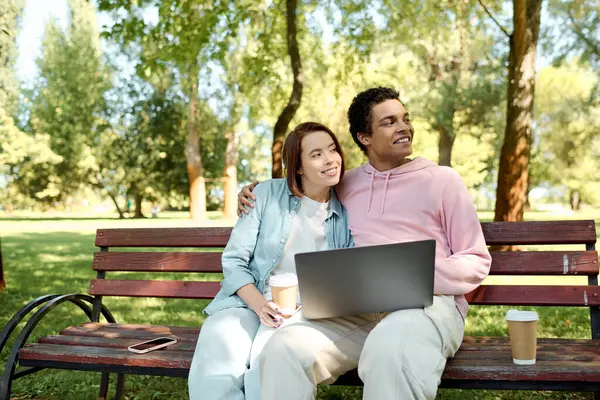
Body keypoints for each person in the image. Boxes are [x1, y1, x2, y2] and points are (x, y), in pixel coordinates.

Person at [236, 87, 492, 400]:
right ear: (364, 137)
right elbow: (301, 186)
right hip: (358, 307)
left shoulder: (443, 180)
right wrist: (254, 191)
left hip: (427, 304)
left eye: (405, 118)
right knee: (283, 349)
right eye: (389, 122)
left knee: (391, 351)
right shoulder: (346, 183)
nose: (404, 127)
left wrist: (413, 275)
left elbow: (476, 259)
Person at [188, 122, 354, 400]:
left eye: (332, 149)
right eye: (316, 154)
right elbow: (234, 261)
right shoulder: (264, 195)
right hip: (247, 300)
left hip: (301, 311)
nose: (330, 159)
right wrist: (260, 305)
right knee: (216, 347)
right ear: (298, 167)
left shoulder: (348, 209)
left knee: (269, 361)